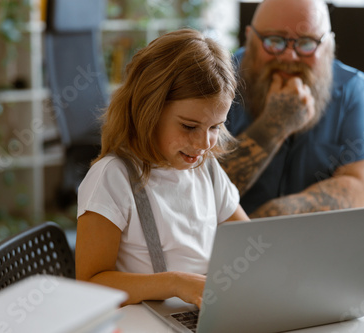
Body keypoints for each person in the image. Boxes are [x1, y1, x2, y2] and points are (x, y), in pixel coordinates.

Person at [75, 28, 249, 309]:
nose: (204, 143)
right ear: (149, 110)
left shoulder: (207, 170)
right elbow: (90, 283)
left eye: (215, 127)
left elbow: (249, 241)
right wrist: (176, 282)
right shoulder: (113, 178)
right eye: (189, 126)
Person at [220, 0, 364, 217]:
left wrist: (277, 213)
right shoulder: (221, 81)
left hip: (312, 241)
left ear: (329, 44)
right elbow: (201, 190)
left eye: (306, 43)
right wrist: (273, 126)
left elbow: (361, 183)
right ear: (250, 38)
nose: (289, 56)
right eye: (273, 41)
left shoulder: (353, 89)